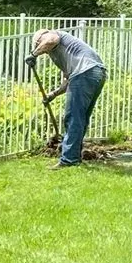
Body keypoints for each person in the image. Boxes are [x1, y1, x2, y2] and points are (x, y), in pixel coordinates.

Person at [32, 28, 107, 167]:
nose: (44, 50)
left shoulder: (53, 35)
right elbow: (68, 81)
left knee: (73, 117)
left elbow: (51, 40)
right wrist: (52, 95)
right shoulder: (64, 55)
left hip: (85, 73)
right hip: (97, 74)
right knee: (80, 118)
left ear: (40, 38)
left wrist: (34, 54)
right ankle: (74, 156)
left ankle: (69, 159)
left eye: (39, 45)